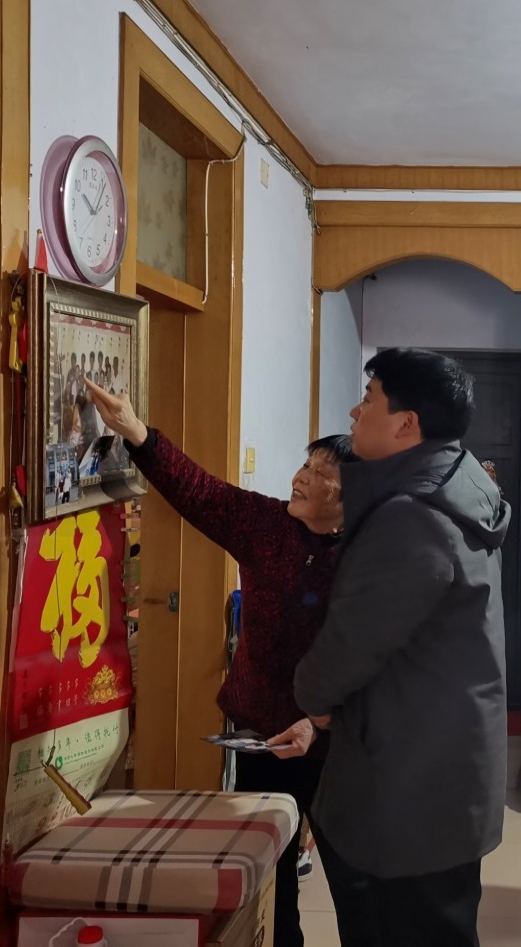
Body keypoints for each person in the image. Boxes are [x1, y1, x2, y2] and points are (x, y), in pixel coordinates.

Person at [83, 378, 358, 947]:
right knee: (272, 878)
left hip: (338, 742)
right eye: (304, 465)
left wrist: (324, 722)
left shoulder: (370, 557)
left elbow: (381, 660)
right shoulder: (267, 526)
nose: (301, 477)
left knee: (356, 879)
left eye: (320, 473)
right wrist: (137, 433)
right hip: (263, 735)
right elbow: (201, 493)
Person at [294, 348, 509, 947]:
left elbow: (352, 642)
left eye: (369, 400)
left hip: (409, 776)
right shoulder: (462, 481)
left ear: (406, 423)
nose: (354, 412)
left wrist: (311, 697)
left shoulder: (411, 516)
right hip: (445, 755)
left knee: (404, 926)